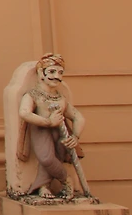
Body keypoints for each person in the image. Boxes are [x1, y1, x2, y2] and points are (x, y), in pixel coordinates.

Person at [17, 53, 85, 197]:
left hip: (59, 132)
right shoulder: (33, 95)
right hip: (41, 130)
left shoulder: (60, 98)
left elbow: (78, 117)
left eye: (60, 72)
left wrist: (75, 136)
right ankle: (66, 179)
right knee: (46, 158)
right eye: (52, 72)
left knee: (56, 157)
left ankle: (44, 186)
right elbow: (24, 112)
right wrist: (48, 122)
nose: (56, 76)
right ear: (41, 73)